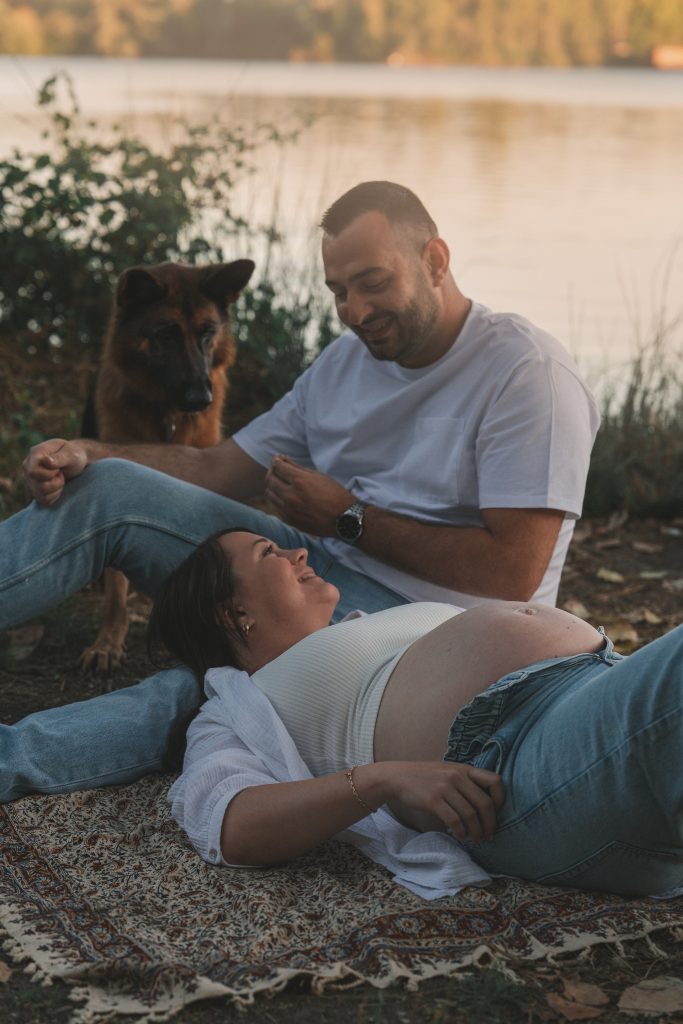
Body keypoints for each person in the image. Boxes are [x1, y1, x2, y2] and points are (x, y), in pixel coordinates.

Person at [0, 181, 599, 804]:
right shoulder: (343, 365)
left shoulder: (525, 373)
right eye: (338, 292)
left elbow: (513, 573)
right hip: (316, 574)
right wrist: (89, 451)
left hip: (432, 635)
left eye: (372, 282)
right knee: (108, 487)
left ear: (436, 260)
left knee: (214, 689)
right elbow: (218, 468)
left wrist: (347, 517)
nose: (356, 312)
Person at [154, 528, 682, 901]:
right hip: (516, 765)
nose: (298, 552)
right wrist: (381, 780)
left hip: (596, 686)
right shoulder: (234, 707)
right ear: (235, 612)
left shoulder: (367, 625)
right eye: (269, 552)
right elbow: (230, 824)